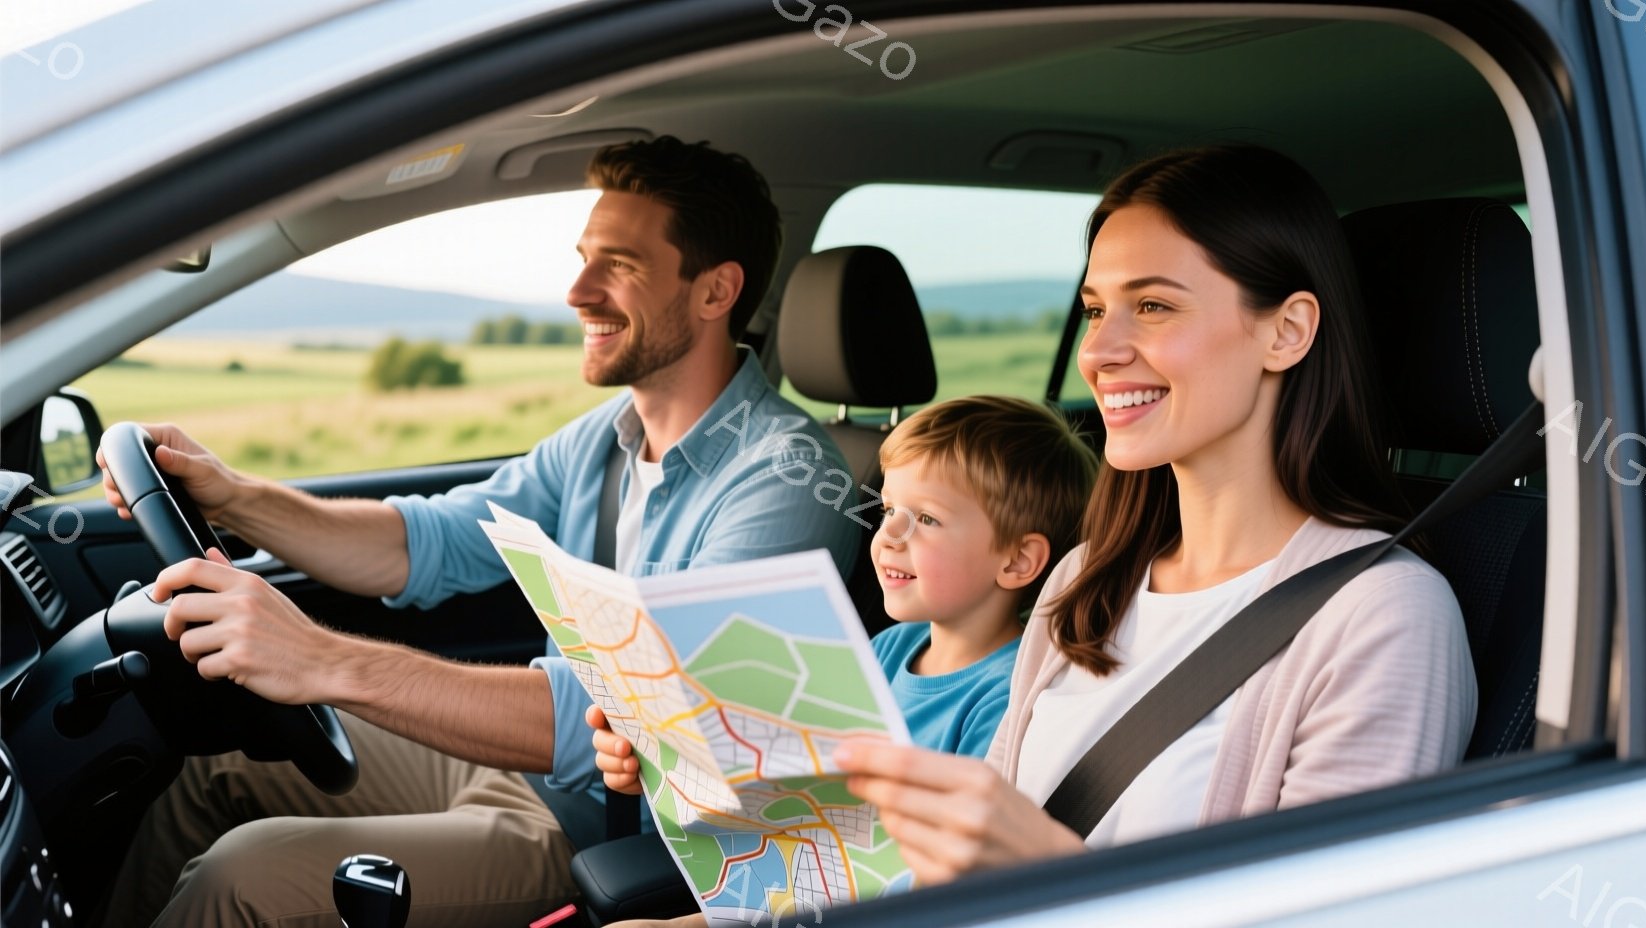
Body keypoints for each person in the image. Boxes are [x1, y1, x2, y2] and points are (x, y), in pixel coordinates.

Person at [96, 136, 862, 928]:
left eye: (620, 266)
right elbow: (427, 544)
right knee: (215, 753)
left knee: (243, 875)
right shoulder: (606, 436)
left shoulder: (785, 482)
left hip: (606, 832)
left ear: (715, 292)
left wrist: (319, 658)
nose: (577, 290)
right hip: (516, 771)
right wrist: (238, 495)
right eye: (583, 257)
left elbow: (651, 720)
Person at [834, 144, 1478, 885]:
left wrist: (1051, 870)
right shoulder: (1085, 579)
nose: (1098, 352)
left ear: (1287, 332)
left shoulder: (1382, 616)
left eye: (1153, 306)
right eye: (1096, 310)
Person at [591, 395, 1100, 807]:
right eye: (890, 510)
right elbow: (801, 778)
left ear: (1016, 562)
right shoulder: (889, 649)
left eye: (925, 519)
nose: (887, 536)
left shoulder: (1005, 701)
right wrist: (671, 765)